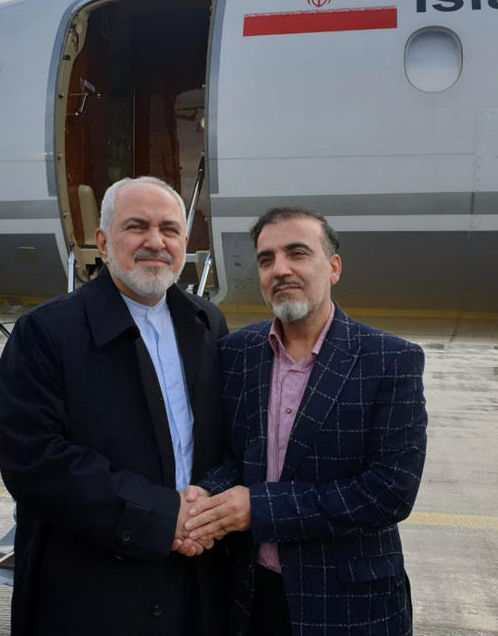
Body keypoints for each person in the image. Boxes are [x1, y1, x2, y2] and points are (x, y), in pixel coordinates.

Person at [0, 176, 229, 635]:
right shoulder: (46, 332)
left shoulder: (206, 323)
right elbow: (34, 461)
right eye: (137, 227)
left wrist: (204, 510)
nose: (155, 242)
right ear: (102, 242)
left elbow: (222, 437)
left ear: (185, 242)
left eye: (169, 229)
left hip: (194, 577)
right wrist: (162, 518)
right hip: (91, 588)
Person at [183, 207, 428, 636]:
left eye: (297, 253)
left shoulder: (390, 360)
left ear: (333, 267)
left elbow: (389, 491)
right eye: (266, 259)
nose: (280, 270)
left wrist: (259, 509)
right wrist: (207, 497)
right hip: (251, 602)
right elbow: (235, 459)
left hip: (351, 606)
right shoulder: (237, 353)